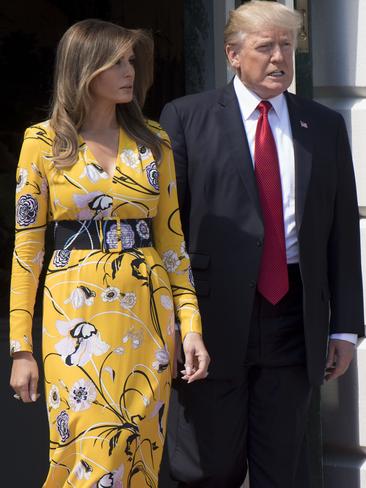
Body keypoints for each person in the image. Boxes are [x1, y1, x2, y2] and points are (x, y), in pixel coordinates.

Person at [159, 1, 364, 487]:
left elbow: (341, 232)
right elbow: (168, 229)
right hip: (211, 319)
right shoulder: (186, 118)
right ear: (232, 54)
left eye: (287, 47)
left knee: (283, 470)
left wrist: (344, 329)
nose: (279, 59)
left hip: (293, 315)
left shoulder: (324, 126)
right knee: (209, 468)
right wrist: (174, 319)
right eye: (265, 47)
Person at [9, 18, 209, 487]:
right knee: (88, 449)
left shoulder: (154, 140)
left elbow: (174, 245)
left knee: (139, 446)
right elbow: (27, 251)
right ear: (84, 68)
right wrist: (21, 347)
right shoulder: (41, 143)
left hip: (148, 313)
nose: (130, 71)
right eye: (116, 61)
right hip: (73, 313)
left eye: (132, 61)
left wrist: (193, 327)